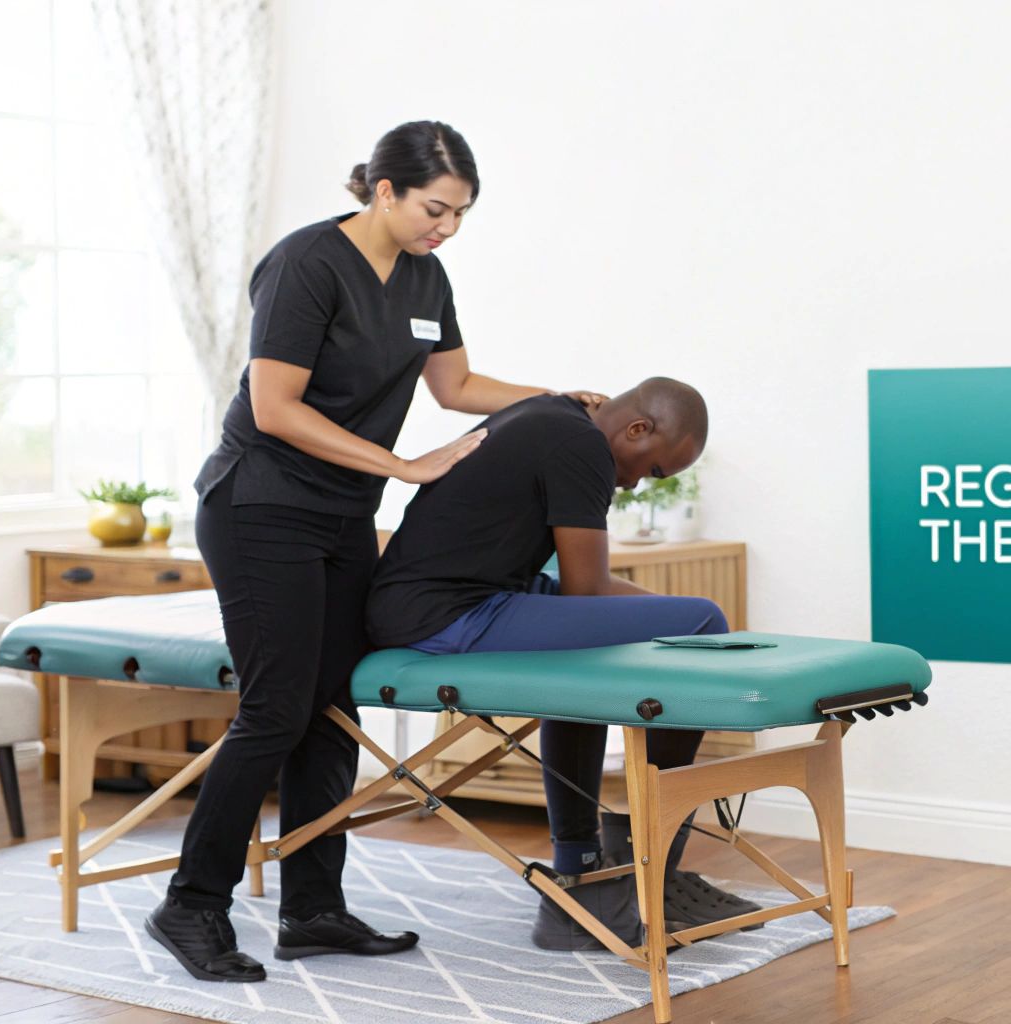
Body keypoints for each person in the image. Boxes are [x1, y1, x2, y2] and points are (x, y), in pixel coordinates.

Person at [148, 120, 605, 983]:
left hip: (339, 516)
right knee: (276, 708)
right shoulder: (306, 264)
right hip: (260, 506)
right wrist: (403, 465)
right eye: (437, 208)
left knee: (332, 711)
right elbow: (275, 407)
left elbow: (455, 385)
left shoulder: (427, 275)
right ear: (384, 190)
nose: (448, 228)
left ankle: (312, 909)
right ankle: (191, 903)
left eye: (462, 214)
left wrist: (558, 395)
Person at [366, 378, 762, 950]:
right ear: (636, 429)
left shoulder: (556, 417)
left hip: (442, 599)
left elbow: (584, 594)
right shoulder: (583, 450)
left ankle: (582, 867)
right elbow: (587, 589)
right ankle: (655, 869)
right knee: (702, 620)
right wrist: (681, 621)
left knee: (616, 651)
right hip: (447, 612)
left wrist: (660, 614)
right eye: (650, 470)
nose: (633, 485)